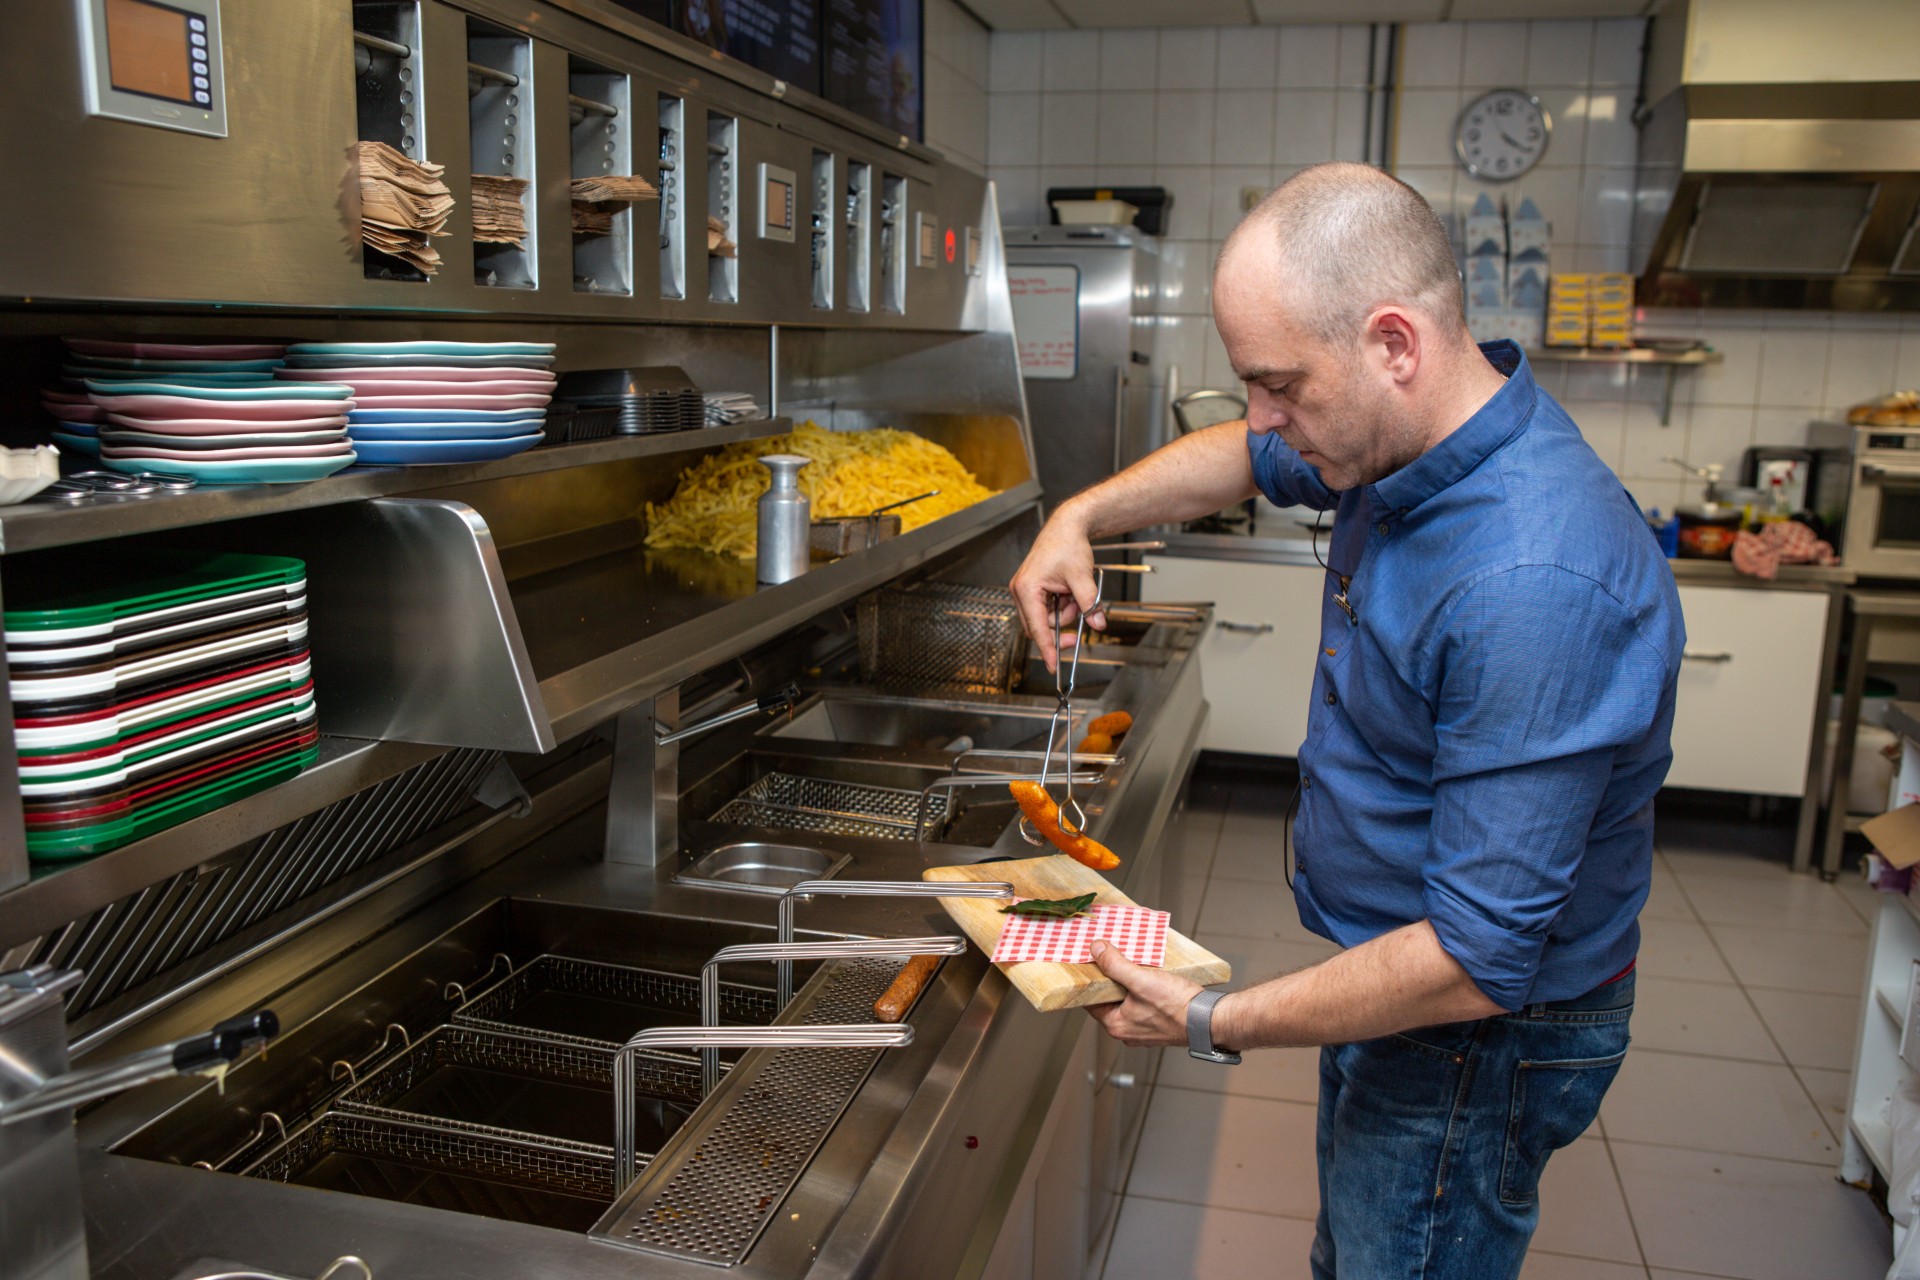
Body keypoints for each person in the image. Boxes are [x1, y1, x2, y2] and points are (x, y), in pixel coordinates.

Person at [1008, 162, 1684, 1280]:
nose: (1265, 420)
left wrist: (1211, 1013)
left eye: (1281, 385)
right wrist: (1079, 515)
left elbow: (1474, 958)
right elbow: (1245, 455)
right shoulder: (1404, 433)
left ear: (1394, 343)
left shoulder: (1531, 577)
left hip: (1474, 1034)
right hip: (1393, 982)